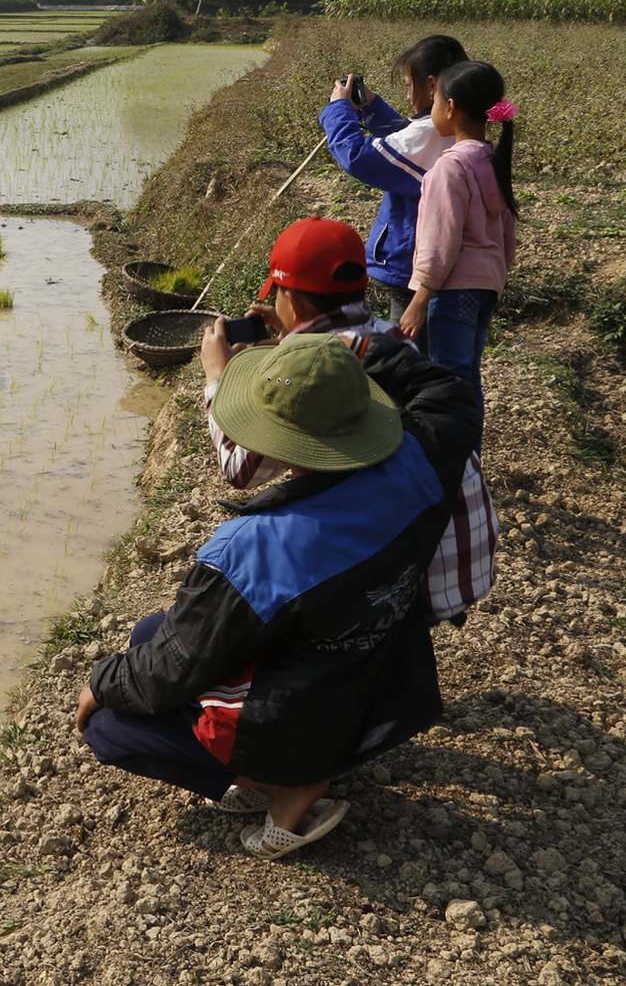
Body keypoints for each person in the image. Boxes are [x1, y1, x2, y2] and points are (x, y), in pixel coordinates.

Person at [75, 332, 481, 859]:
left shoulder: (256, 548)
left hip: (306, 720)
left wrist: (99, 682)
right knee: (151, 633)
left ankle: (289, 788)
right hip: (386, 684)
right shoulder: (423, 461)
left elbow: (169, 672)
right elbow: (448, 389)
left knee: (111, 724)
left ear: (277, 437)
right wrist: (341, 356)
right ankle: (303, 765)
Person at [202, 217, 498, 620]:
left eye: (279, 295)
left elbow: (241, 472)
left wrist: (218, 379)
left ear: (293, 301)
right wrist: (291, 341)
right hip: (466, 560)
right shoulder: (389, 338)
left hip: (411, 583)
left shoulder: (313, 373)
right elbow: (333, 348)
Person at [318, 34, 469, 318]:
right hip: (451, 269)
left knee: (410, 356)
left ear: (432, 85)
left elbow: (358, 158)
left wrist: (338, 108)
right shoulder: (454, 127)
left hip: (413, 268)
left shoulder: (430, 134)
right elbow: (405, 138)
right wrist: (372, 106)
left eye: (409, 85)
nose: (407, 94)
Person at [397, 61, 519, 396]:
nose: (432, 110)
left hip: (453, 290)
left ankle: (453, 447)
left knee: (448, 380)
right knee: (466, 377)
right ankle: (470, 447)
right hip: (486, 287)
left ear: (450, 107)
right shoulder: (493, 159)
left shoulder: (449, 168)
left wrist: (420, 298)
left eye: (434, 102)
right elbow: (507, 233)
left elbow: (441, 241)